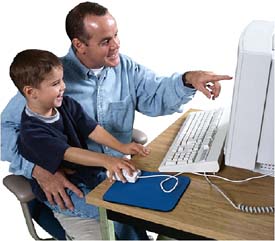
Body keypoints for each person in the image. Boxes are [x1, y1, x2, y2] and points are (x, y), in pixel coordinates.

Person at [1, 1, 232, 239]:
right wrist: (39, 168)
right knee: (117, 221)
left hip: (117, 176)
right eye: (105, 41)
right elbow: (5, 132)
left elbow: (154, 96)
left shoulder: (125, 68)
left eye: (115, 36)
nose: (116, 45)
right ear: (79, 45)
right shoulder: (51, 82)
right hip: (75, 188)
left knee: (188, 214)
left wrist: (188, 79)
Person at [10, 48, 150, 239]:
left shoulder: (66, 104)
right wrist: (107, 160)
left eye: (62, 80)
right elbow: (67, 152)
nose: (63, 87)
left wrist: (121, 147)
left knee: (131, 207)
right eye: (55, 83)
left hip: (89, 176)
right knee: (116, 213)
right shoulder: (32, 133)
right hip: (67, 192)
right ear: (31, 92)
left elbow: (92, 128)